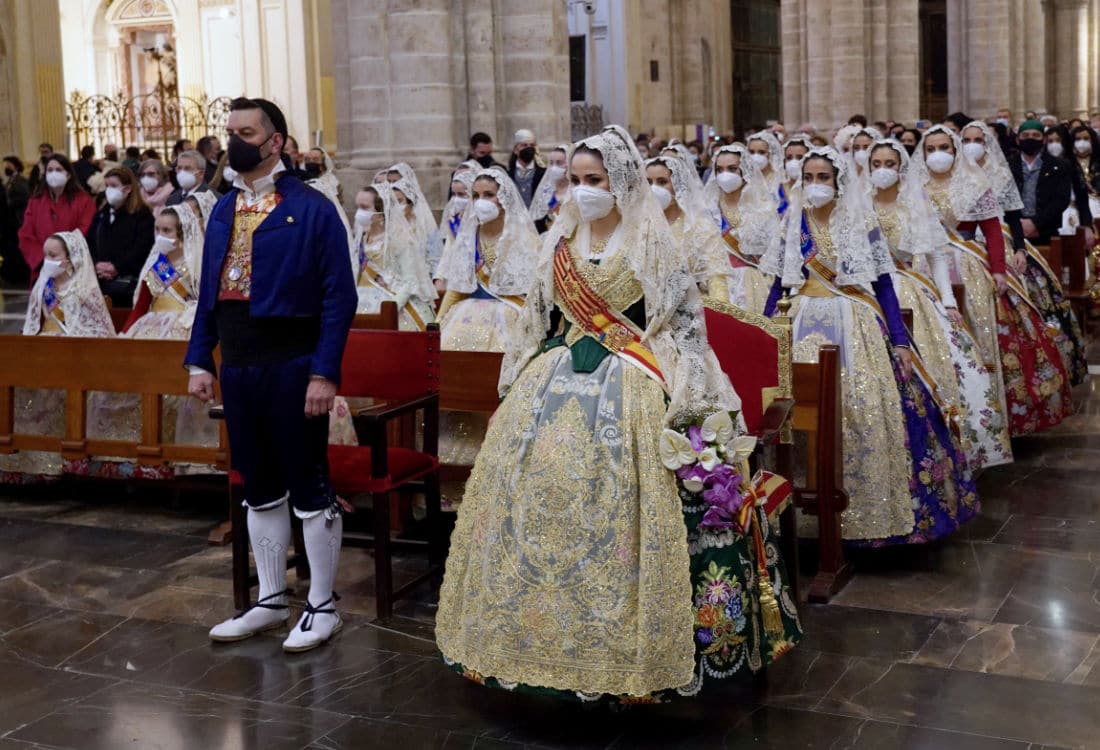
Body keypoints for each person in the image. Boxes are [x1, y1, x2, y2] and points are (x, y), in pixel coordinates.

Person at [437, 126, 800, 702]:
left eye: (596, 180)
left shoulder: (652, 244)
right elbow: (537, 322)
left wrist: (690, 400)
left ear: (620, 182)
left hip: (635, 382)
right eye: (577, 180)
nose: (584, 190)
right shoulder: (558, 245)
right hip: (554, 382)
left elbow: (685, 328)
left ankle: (635, 647)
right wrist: (519, 384)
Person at [185, 97, 357, 652]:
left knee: (308, 483)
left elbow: (339, 297)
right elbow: (210, 292)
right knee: (257, 486)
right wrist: (199, 358)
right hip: (239, 365)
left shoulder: (312, 208)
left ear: (276, 141)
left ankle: (322, 605)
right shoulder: (222, 208)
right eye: (230, 131)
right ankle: (271, 599)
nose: (234, 141)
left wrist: (324, 373)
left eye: (247, 132)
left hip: (293, 363)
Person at [761, 146, 978, 545]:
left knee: (863, 407)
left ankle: (866, 514)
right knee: (798, 414)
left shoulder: (860, 220)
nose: (814, 185)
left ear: (838, 181)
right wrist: (763, 334)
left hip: (855, 321)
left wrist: (900, 341)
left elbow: (884, 286)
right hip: (802, 318)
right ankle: (802, 517)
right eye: (808, 178)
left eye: (823, 178)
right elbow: (777, 283)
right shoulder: (793, 222)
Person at [866, 138, 1013, 470]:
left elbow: (935, 257)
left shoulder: (914, 203)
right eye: (876, 164)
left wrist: (948, 302)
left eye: (889, 164)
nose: (882, 170)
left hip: (907, 284)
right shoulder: (858, 206)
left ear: (901, 168)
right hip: (868, 291)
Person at [915, 125, 1071, 436]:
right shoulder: (915, 186)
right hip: (926, 264)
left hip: (968, 262)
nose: (937, 154)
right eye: (930, 149)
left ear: (955, 150)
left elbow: (992, 231)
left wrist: (999, 270)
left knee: (983, 329)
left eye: (944, 147)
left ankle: (990, 417)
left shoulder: (974, 183)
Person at [963, 120, 1088, 386]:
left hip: (1003, 236)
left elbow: (1012, 214)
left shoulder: (1000, 171)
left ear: (988, 144)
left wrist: (1019, 247)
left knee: (1030, 284)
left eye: (978, 140)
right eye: (967, 141)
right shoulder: (955, 175)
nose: (973, 146)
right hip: (965, 246)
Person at [0, 231, 119, 481]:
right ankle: (28, 458)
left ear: (70, 258)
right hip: (45, 350)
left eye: (53, 256)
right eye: (45, 256)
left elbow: (98, 331)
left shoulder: (84, 291)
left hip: (76, 355)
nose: (48, 261)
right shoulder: (44, 287)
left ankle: (66, 458)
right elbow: (34, 325)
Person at [436, 166, 538, 352]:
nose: (480, 201)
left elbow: (534, 293)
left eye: (489, 195)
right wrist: (437, 323)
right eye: (476, 196)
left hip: (511, 313)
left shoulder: (523, 238)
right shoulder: (468, 237)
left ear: (504, 198)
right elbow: (457, 288)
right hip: (468, 313)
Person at [703, 143, 778, 313]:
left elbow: (772, 255)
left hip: (753, 284)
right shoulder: (708, 209)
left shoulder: (763, 209)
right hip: (714, 284)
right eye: (719, 170)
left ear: (745, 171)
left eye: (732, 169)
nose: (725, 175)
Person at [351, 182, 437, 330]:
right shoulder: (362, 238)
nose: (359, 212)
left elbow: (410, 281)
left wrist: (390, 310)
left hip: (395, 303)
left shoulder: (399, 239)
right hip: (363, 299)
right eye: (358, 207)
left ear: (381, 210)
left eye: (365, 207)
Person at [645, 154, 730, 299]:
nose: (654, 188)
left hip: (691, 305)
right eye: (649, 182)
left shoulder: (700, 227)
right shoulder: (640, 226)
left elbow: (717, 278)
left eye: (662, 182)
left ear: (678, 185)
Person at [17, 154, 96, 283]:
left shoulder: (84, 201)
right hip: (43, 268)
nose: (54, 173)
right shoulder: (35, 202)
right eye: (50, 170)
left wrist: (63, 258)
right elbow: (26, 235)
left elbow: (84, 231)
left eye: (58, 170)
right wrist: (43, 260)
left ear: (68, 175)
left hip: (73, 268)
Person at [86, 167, 156, 307]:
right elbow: (90, 241)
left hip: (128, 281)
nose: (108, 190)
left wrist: (117, 267)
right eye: (106, 186)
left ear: (127, 189)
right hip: (100, 279)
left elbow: (142, 248)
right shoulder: (102, 213)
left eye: (113, 186)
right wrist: (96, 264)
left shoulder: (142, 215)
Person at [528, 145, 569, 233]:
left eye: (559, 163)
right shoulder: (546, 191)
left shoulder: (574, 191)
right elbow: (537, 218)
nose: (554, 167)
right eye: (551, 163)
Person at [507, 129, 545, 208]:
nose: (528, 148)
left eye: (532, 145)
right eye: (524, 145)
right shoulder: (507, 175)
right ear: (515, 150)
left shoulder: (543, 174)